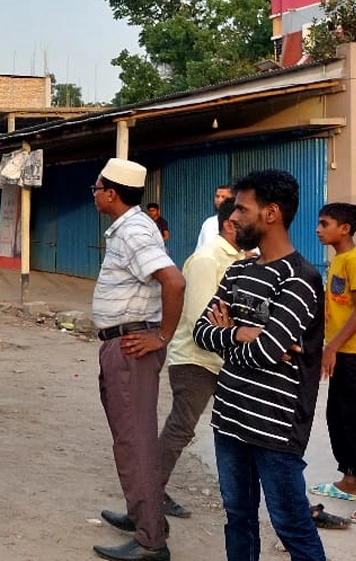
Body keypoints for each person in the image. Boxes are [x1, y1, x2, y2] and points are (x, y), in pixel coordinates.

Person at [193, 169, 326, 561]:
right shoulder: (238, 270)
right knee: (238, 518)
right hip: (230, 418)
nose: (232, 217)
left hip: (275, 427)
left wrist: (238, 331)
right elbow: (201, 331)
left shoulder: (301, 278)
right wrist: (239, 334)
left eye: (241, 209)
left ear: (271, 214)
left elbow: (267, 352)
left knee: (291, 524)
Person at [102, 199, 243, 539]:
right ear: (228, 225)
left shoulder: (240, 260)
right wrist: (240, 330)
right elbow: (199, 316)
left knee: (234, 431)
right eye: (243, 217)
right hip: (197, 358)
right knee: (179, 430)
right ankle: (150, 501)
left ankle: (147, 506)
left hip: (227, 358)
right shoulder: (208, 259)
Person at [90, 158, 185, 561]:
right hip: (122, 344)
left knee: (136, 442)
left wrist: (161, 334)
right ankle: (141, 516)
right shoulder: (129, 228)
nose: (93, 194)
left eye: (96, 187)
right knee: (128, 439)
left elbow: (174, 280)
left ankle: (151, 541)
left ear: (111, 193)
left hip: (132, 346)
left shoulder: (133, 231)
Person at [310, 202, 356, 524]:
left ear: (345, 228)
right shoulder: (340, 259)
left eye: (325, 224)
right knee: (337, 416)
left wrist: (333, 348)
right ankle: (350, 480)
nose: (318, 229)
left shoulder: (354, 260)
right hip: (342, 350)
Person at [195, 185, 235, 251]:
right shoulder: (208, 223)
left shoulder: (241, 223)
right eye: (217, 196)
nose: (219, 200)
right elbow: (199, 250)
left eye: (223, 197)